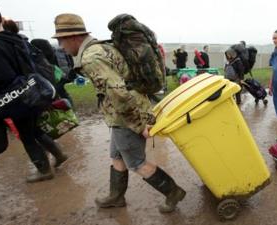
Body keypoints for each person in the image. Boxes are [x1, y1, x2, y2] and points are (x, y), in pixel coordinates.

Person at [52, 13, 186, 213]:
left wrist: (140, 125)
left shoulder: (91, 57)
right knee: (117, 155)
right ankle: (116, 196)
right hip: (121, 114)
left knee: (137, 162)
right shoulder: (100, 47)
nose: (61, 46)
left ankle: (173, 192)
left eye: (61, 41)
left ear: (73, 37)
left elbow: (119, 94)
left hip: (127, 116)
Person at [0, 4, 67, 183]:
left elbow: (1, 77)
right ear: (1, 19)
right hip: (34, 91)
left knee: (26, 135)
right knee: (35, 129)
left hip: (16, 98)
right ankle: (59, 154)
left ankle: (44, 170)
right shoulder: (18, 40)